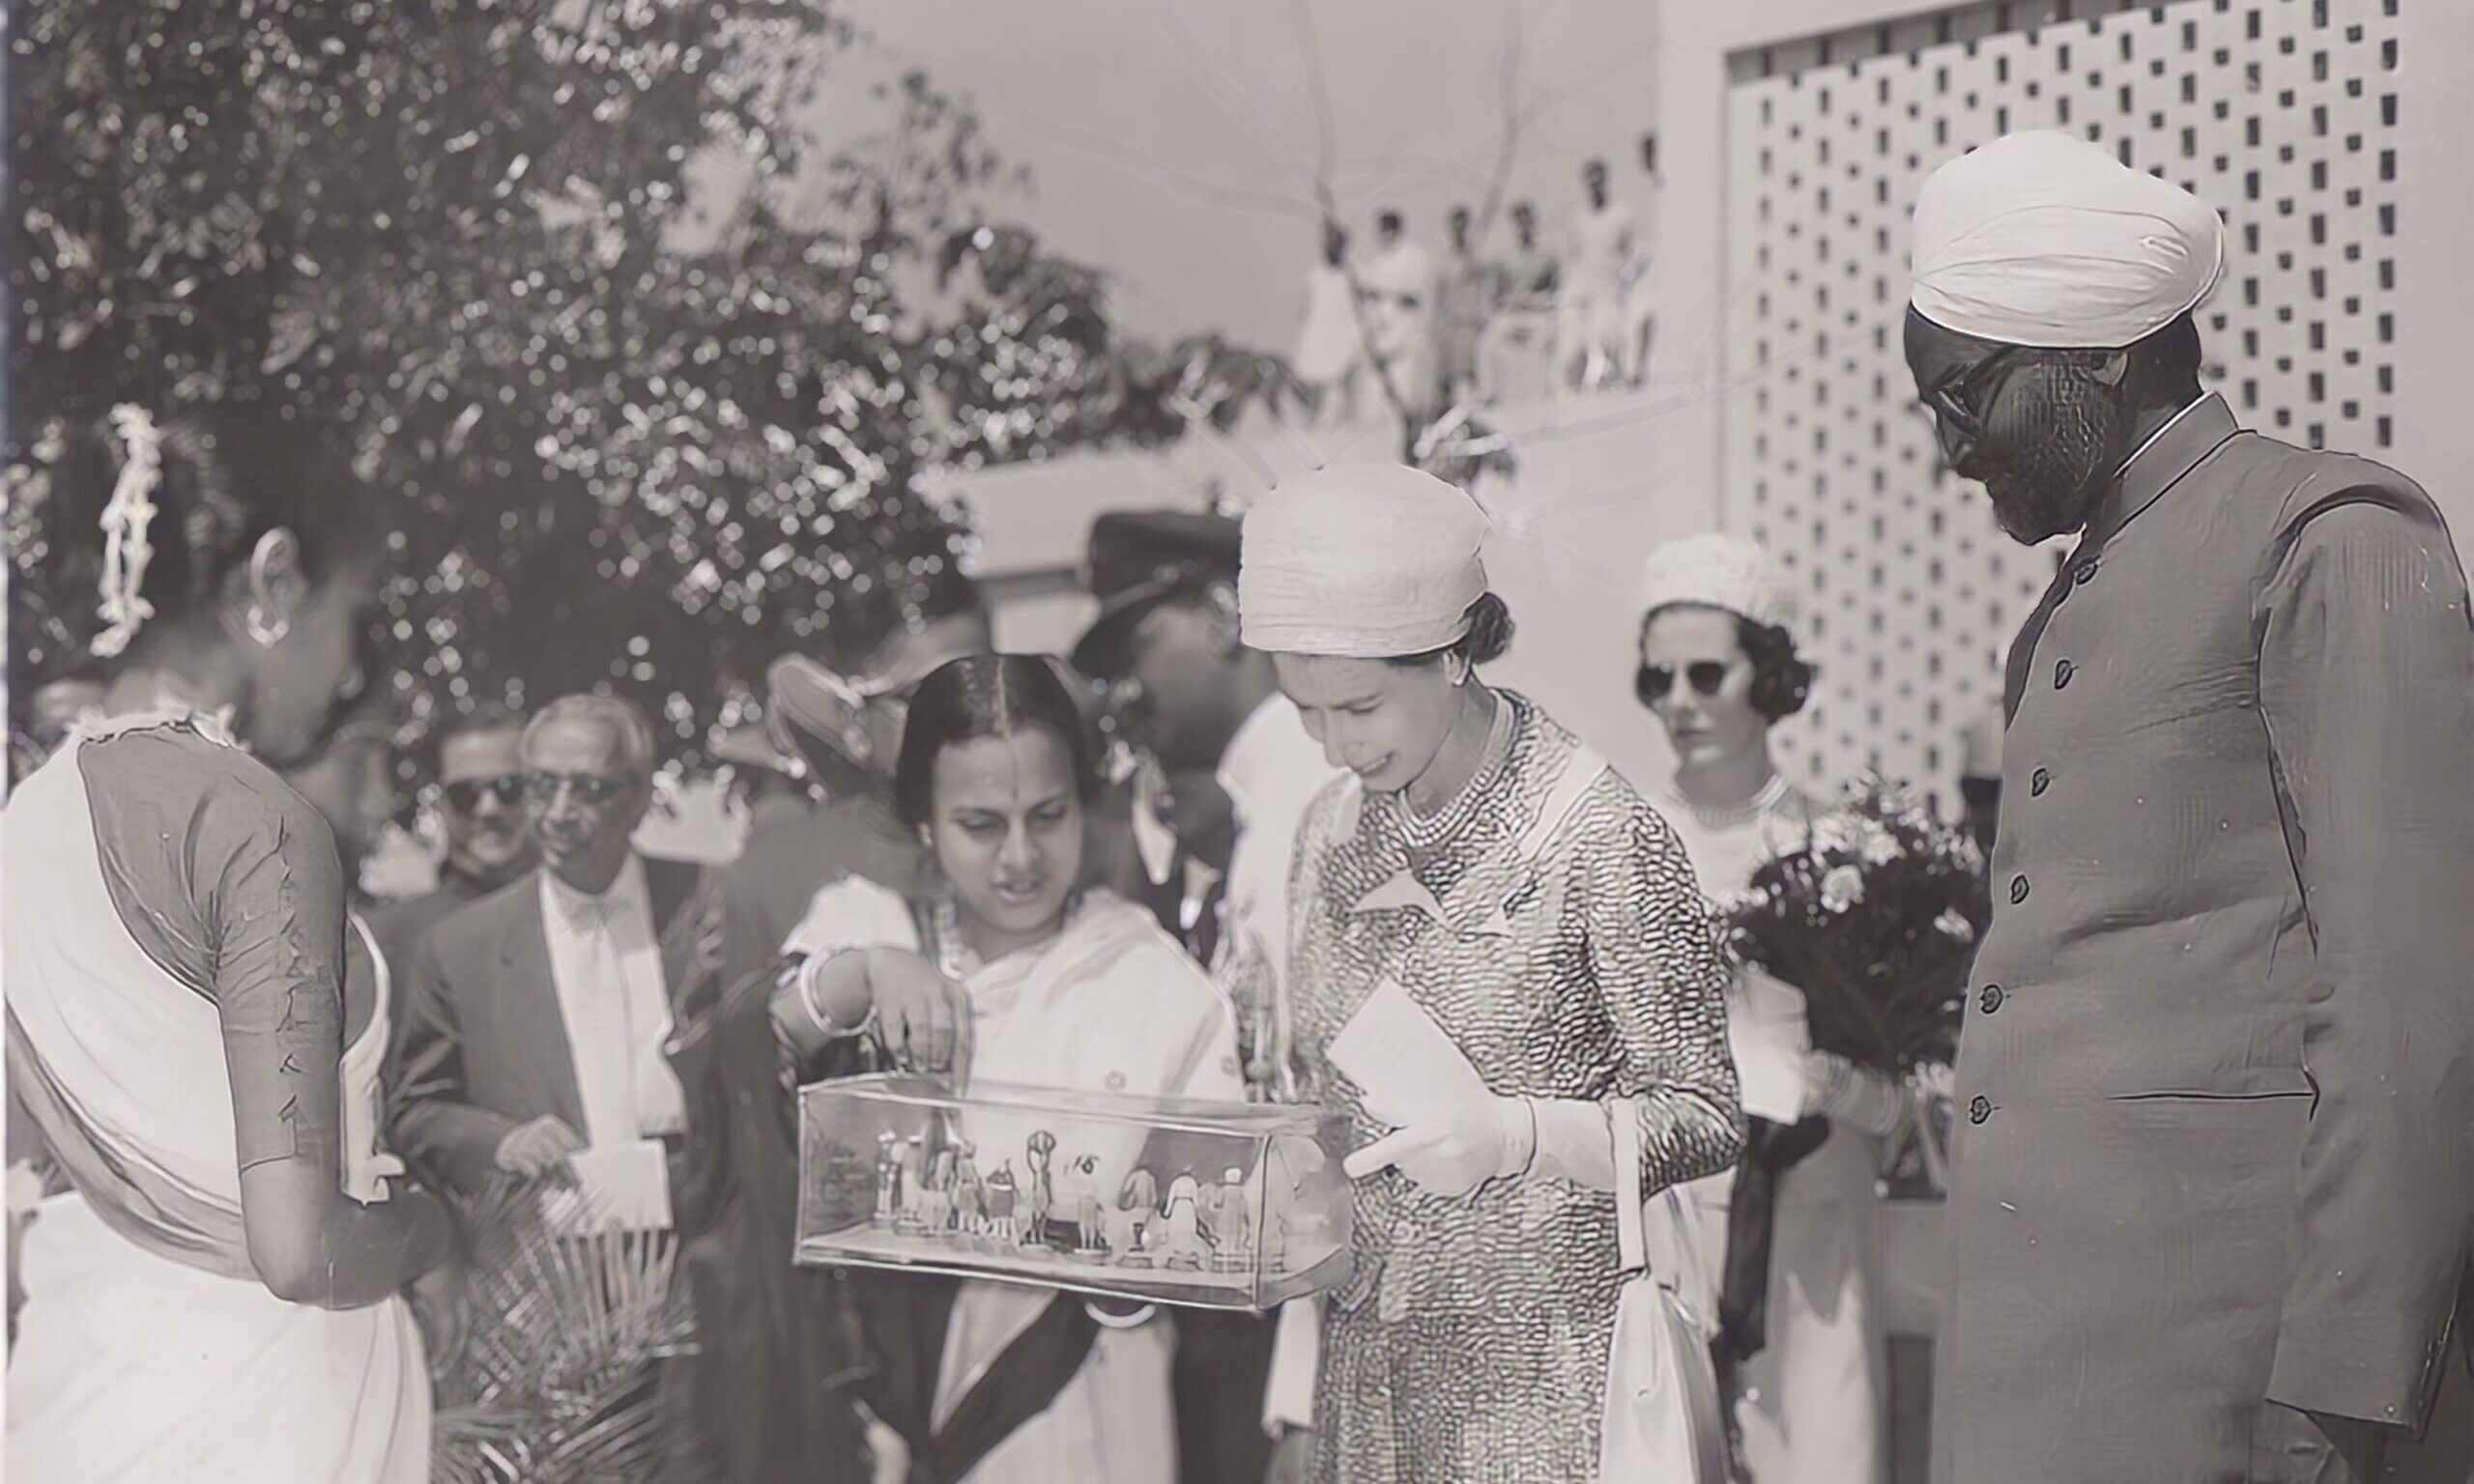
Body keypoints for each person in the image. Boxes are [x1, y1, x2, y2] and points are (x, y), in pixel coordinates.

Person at [1906, 129, 2474, 1484]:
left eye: (1962, 397)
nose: (1949, 450)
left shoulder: (2332, 535)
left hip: (2225, 1386)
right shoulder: (2080, 588)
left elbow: (2415, 1005)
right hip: (2041, 1372)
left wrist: (2342, 1393)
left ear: (2097, 354)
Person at [1239, 464, 1744, 1483]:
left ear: (1455, 652)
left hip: (1548, 1384)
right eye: (1306, 712)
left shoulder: (1600, 835)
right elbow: (1314, 1111)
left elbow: (1706, 1110)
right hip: (1368, 1376)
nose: (1336, 745)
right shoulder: (1326, 833)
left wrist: (1523, 1135)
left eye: (1362, 706)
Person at [3, 402, 451, 1482]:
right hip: (271, 1410)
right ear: (275, 579)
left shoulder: (26, 817)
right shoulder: (256, 821)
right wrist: (436, 1229)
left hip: (83, 1386)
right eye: (352, 614)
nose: (350, 668)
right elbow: (301, 1252)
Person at [767, 653, 1244, 1484]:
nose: (1020, 857)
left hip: (1086, 1412)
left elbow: (1217, 1235)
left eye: (1048, 816)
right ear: (924, 821)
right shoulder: (865, 927)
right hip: (881, 1424)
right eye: (981, 824)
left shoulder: (1151, 980)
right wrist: (871, 971)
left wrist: (1142, 1267)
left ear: (1085, 809)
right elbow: (748, 1057)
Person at [687, 596, 995, 1484]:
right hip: (848, 1329)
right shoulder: (768, 875)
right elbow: (735, 1095)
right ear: (862, 726)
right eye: (935, 697)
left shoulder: (1054, 854)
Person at [1071, 508, 1348, 1484]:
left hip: (1304, 1336)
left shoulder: (1311, 808)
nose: (1127, 686)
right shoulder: (1263, 806)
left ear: (1225, 616)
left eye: (1142, 640)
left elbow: (1339, 1129)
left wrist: (1307, 1397)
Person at [1634, 533, 1904, 1484]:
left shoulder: (1842, 854)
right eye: (1656, 678)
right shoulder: (1626, 848)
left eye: (1706, 673)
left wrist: (1832, 1084)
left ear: (1770, 674)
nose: (1679, 702)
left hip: (1811, 1240)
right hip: (1669, 1228)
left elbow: (1905, 1101)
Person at [388, 693, 733, 1224]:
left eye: (589, 790)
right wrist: (501, 1142)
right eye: (543, 786)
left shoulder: (709, 901)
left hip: (704, 1246)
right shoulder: (462, 948)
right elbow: (414, 1113)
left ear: (640, 798)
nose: (559, 813)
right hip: (551, 1263)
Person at [366, 703, 533, 982]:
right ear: (442, 805)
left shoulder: (586, 922)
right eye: (465, 794)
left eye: (509, 788)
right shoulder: (390, 941)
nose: (488, 809)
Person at [1352, 210, 1441, 423]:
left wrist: (1386, 295)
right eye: (1380, 231)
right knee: (1375, 402)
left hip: (1408, 336)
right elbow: (1367, 301)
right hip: (1383, 337)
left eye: (1387, 231)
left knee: (1408, 398)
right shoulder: (1376, 265)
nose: (1383, 236)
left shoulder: (1414, 257)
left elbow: (1420, 297)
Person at [1562, 159, 1635, 392]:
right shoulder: (1578, 219)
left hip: (1610, 289)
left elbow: (1633, 252)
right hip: (1583, 289)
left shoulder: (1622, 215)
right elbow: (1573, 257)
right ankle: (1574, 387)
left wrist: (1625, 279)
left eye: (1598, 180)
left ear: (1606, 181)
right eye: (1589, 181)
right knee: (1574, 342)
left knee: (1605, 337)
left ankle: (1612, 382)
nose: (1594, 186)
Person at [1480, 200, 1561, 405]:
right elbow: (1495, 293)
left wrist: (1543, 301)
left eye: (1528, 221)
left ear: (1534, 223)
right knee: (1486, 344)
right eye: (1519, 222)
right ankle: (1489, 393)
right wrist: (1503, 304)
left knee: (1550, 338)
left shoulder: (1547, 255)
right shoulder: (1505, 257)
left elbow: (1556, 289)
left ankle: (1551, 389)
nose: (1524, 227)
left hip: (1537, 314)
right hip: (1512, 315)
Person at [1294, 222, 1363, 430]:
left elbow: (1360, 308)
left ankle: (1332, 429)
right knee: (1312, 385)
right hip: (1316, 335)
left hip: (1342, 337)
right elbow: (1306, 308)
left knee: (1336, 389)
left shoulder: (1353, 274)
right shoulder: (1314, 274)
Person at [1434, 206, 1498, 408]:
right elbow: (1441, 296)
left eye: (1463, 227)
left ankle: (1482, 398)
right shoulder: (1445, 262)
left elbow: (1487, 288)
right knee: (1453, 371)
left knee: (1476, 364)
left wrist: (1484, 315)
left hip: (1473, 321)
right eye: (1455, 227)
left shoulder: (1479, 258)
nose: (1459, 232)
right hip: (1452, 323)